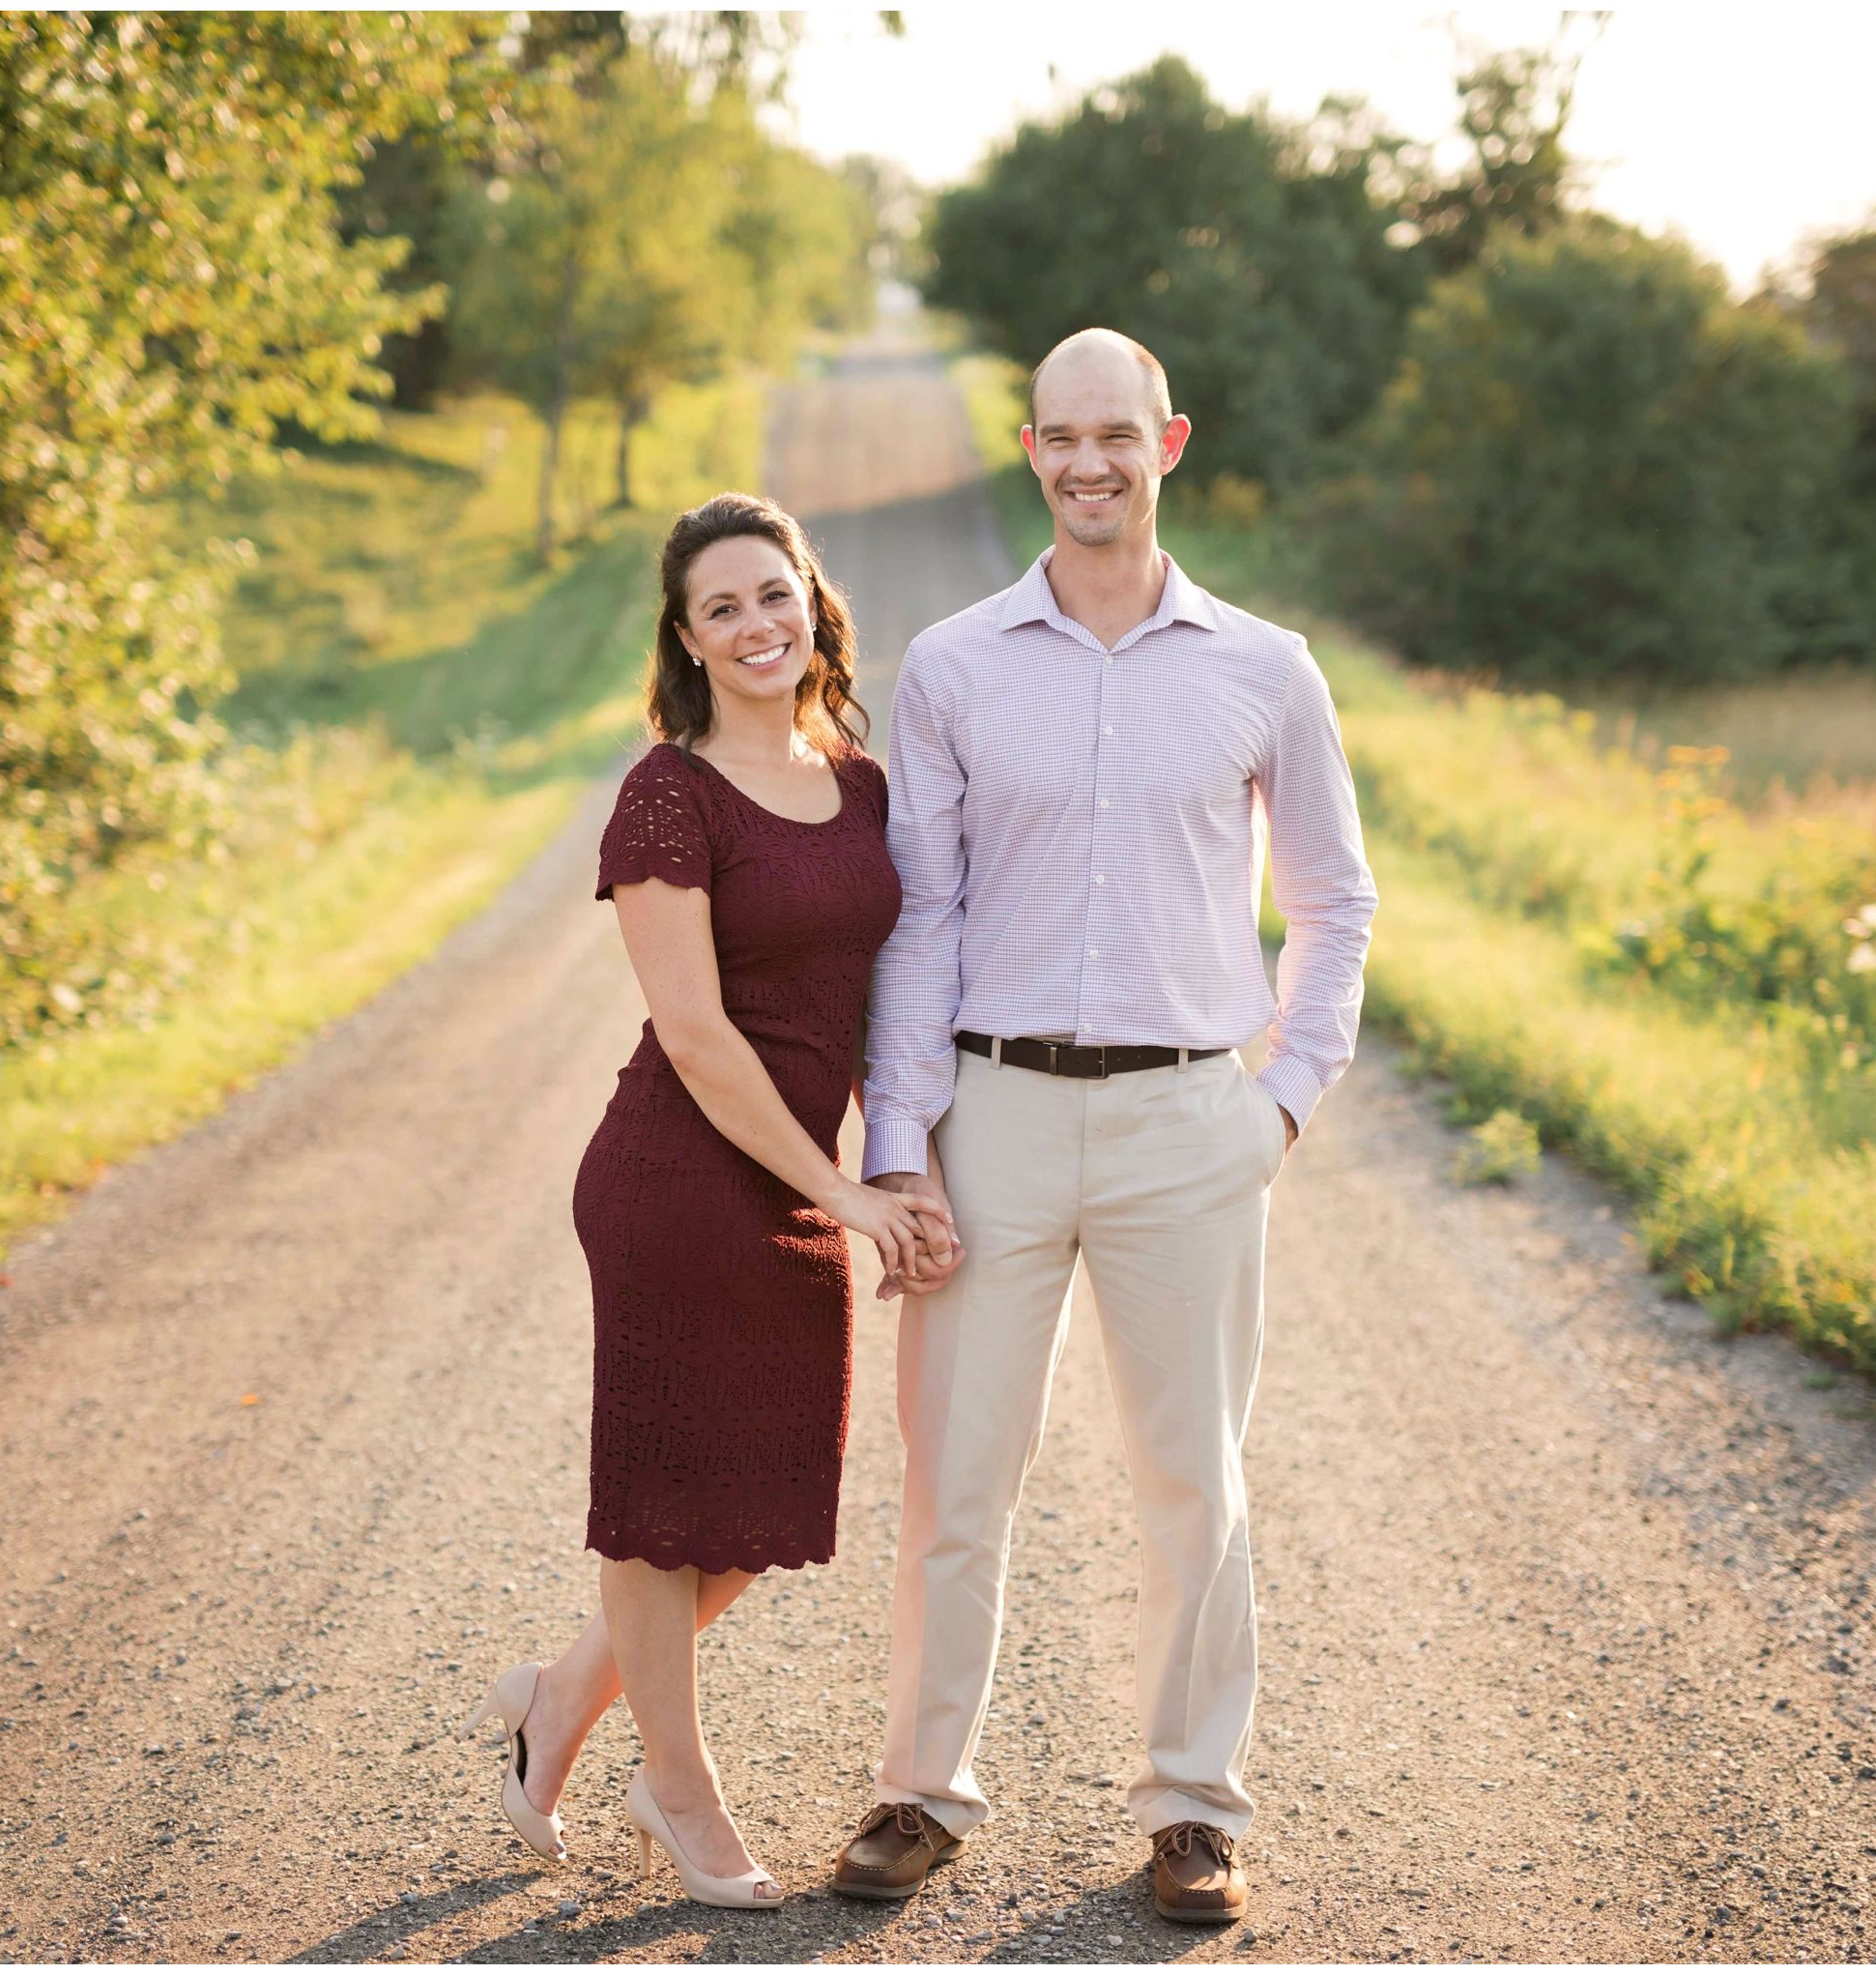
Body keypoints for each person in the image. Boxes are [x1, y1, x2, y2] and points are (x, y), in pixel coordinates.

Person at [835, 329, 1379, 1926]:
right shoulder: (949, 666)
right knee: (955, 1478)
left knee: (1190, 1481)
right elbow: (916, 917)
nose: (1090, 462)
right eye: (1062, 437)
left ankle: (1193, 1808)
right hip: (991, 1113)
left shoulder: (1263, 666)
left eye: (1117, 435)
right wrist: (900, 1143)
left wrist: (1280, 1101)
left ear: (1169, 443)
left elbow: (1335, 902)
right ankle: (920, 1792)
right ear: (1029, 450)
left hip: (1188, 1121)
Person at [464, 491, 959, 1911]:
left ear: (815, 603)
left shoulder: (856, 783)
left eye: (773, 595)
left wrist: (894, 1169)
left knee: (757, 1512)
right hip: (675, 1186)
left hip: (804, 1188)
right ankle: (673, 1790)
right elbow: (695, 1033)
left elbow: (869, 1006)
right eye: (721, 609)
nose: (756, 626)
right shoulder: (666, 793)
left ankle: (556, 1702)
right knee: (659, 1507)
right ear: (685, 640)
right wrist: (841, 1193)